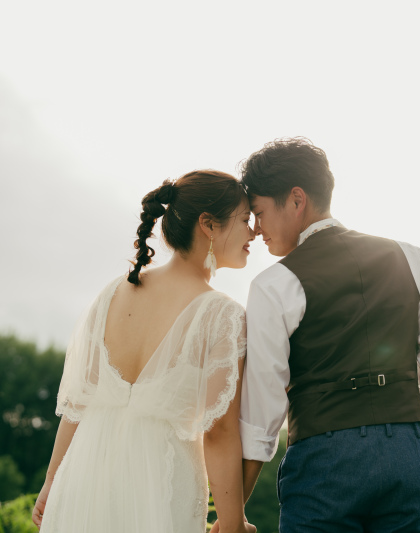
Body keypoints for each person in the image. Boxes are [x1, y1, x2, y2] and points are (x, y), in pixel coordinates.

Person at [236, 138, 420, 532]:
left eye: (259, 213)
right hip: (405, 456)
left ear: (296, 200)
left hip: (324, 465)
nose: (256, 230)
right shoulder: (410, 257)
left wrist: (233, 510)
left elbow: (262, 414)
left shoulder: (273, 285)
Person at [32, 170, 258, 533]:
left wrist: (50, 483)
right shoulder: (221, 316)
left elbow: (77, 404)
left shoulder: (113, 293)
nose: (254, 231)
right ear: (208, 225)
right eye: (245, 219)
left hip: (81, 485)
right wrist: (232, 523)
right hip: (160, 491)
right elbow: (218, 430)